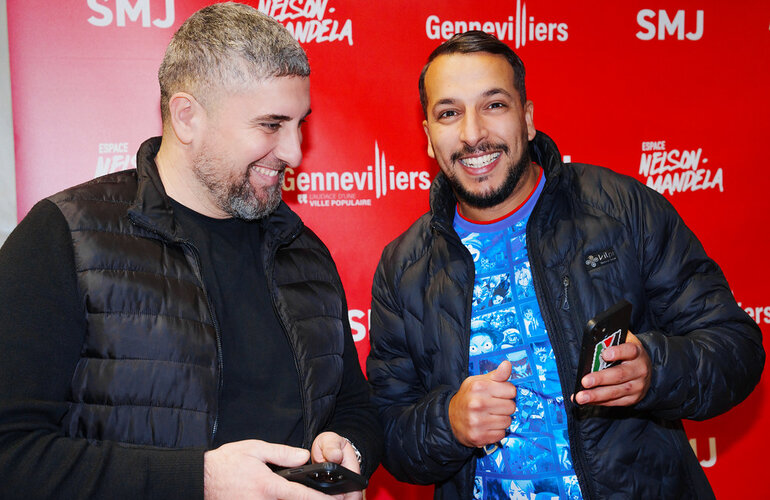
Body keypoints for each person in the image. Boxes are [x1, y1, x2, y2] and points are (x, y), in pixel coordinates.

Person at [0, 3, 382, 499]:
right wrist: (198, 481)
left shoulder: (303, 250)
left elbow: (354, 406)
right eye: (271, 125)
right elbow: (11, 454)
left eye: (299, 124)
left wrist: (347, 447)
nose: (293, 152)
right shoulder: (64, 236)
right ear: (187, 117)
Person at [366, 30, 764, 499]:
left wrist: (655, 370)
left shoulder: (621, 210)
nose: (473, 134)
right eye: (449, 113)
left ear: (528, 119)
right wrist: (448, 421)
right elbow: (388, 432)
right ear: (429, 137)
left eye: (494, 105)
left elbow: (736, 347)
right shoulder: (403, 266)